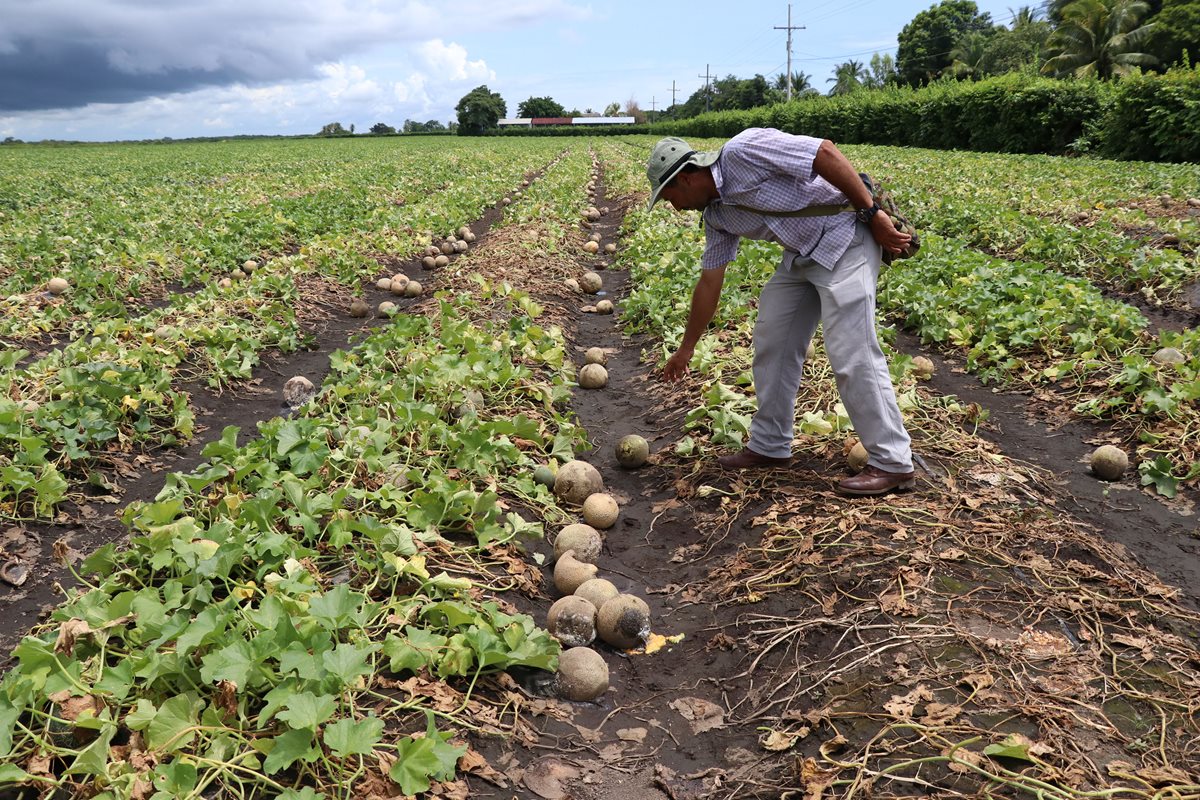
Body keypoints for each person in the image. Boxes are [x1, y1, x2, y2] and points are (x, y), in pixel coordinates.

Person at [646, 128, 915, 496]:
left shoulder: (743, 151)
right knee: (773, 337)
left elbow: (825, 153)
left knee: (852, 349)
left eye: (670, 195)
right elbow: (710, 283)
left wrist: (872, 214)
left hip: (845, 236)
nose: (673, 206)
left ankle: (892, 461)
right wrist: (687, 347)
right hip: (802, 254)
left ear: (687, 176)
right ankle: (770, 445)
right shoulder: (717, 216)